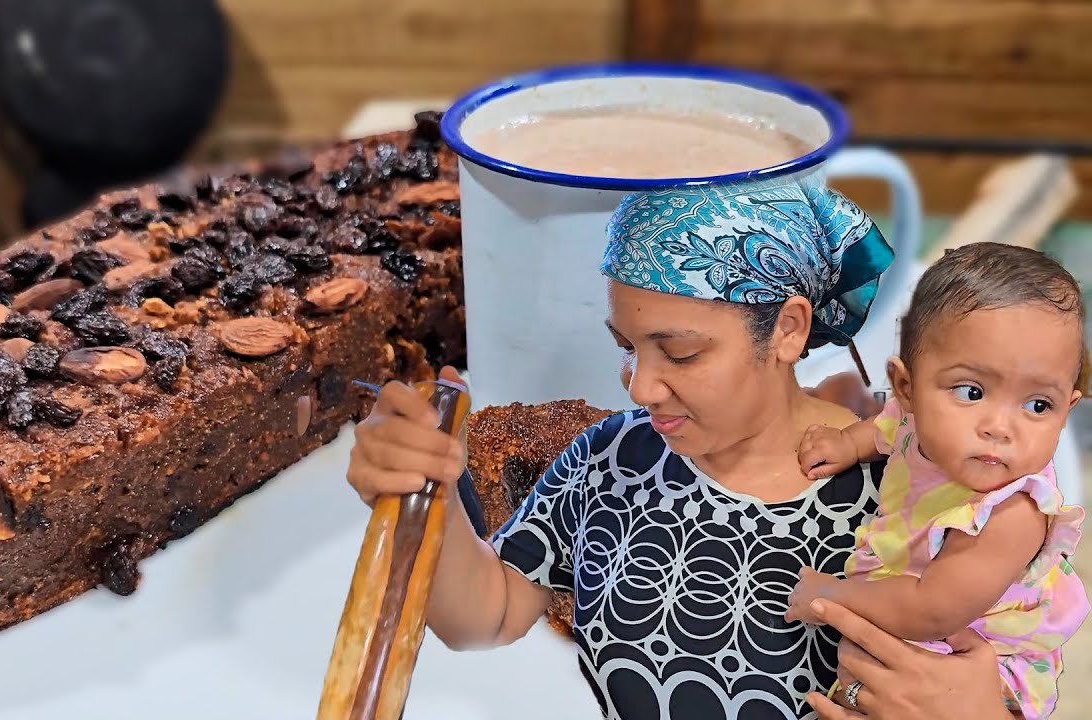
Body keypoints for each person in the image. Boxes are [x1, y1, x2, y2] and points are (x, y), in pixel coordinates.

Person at [345, 179, 1019, 719]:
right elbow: (484, 616)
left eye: (680, 351)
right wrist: (418, 492)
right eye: (625, 347)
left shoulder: (916, 488)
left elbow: (1006, 671)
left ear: (787, 329)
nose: (640, 387)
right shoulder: (612, 457)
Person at [789, 243, 1090, 719]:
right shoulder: (919, 423)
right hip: (913, 612)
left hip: (982, 661)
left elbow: (934, 610)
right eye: (972, 392)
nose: (1000, 427)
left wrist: (830, 595)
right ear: (906, 388)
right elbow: (888, 428)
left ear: (1066, 409)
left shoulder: (1014, 510)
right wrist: (847, 443)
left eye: (1038, 405)